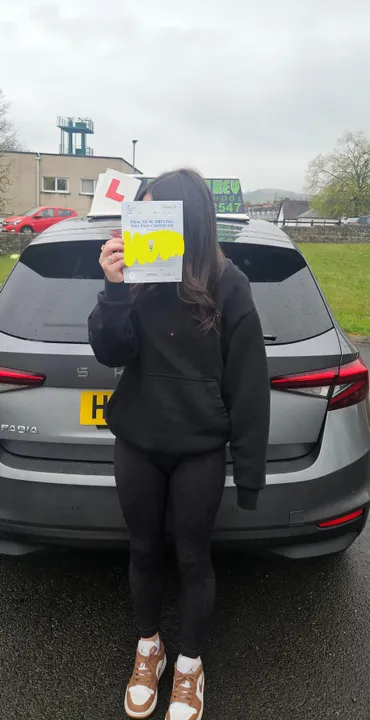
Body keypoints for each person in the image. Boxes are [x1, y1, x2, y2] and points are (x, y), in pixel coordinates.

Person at [88, 169, 270, 720]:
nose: (139, 219)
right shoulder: (138, 275)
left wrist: (252, 474)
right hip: (139, 442)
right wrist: (114, 288)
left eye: (151, 209)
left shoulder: (228, 283)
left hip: (198, 449)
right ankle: (150, 649)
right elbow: (110, 352)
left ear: (183, 217)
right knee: (143, 549)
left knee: (193, 557)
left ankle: (189, 666)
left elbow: (248, 382)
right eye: (137, 210)